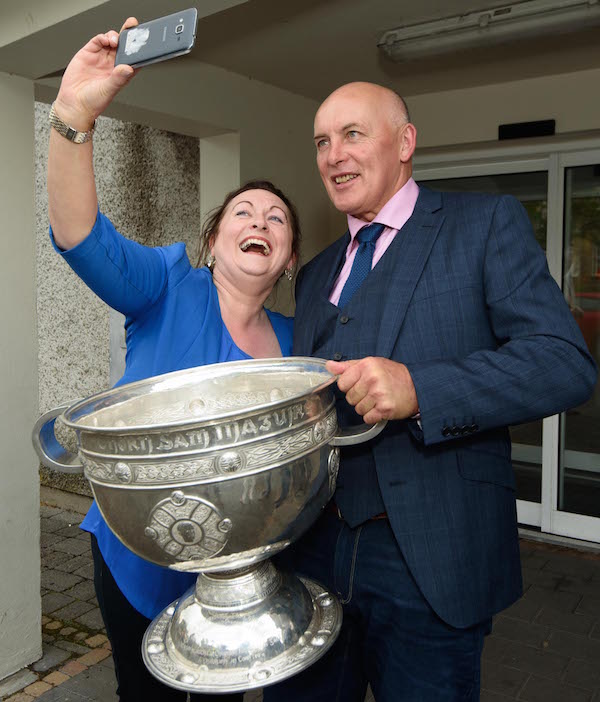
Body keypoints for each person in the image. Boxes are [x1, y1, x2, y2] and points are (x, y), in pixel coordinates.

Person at [263, 82, 597, 702]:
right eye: (322, 142)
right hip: (313, 553)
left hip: (431, 555)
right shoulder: (314, 274)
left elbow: (564, 364)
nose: (334, 154)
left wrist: (422, 388)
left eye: (353, 134)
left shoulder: (482, 224)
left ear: (406, 142)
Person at [47, 18, 300, 702]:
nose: (259, 224)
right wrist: (72, 118)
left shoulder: (297, 341)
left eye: (276, 220)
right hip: (140, 557)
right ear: (214, 241)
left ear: (286, 261)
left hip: (241, 572)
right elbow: (79, 235)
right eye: (243, 214)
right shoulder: (164, 289)